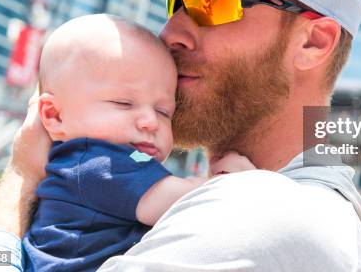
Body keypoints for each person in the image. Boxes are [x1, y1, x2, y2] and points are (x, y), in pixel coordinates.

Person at [0, 0, 361, 271]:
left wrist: (21, 174)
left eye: (210, 2)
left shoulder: (263, 215)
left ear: (313, 42)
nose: (171, 30)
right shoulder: (328, 206)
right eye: (175, 0)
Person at [21, 14, 254, 271]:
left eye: (164, 112)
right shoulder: (97, 162)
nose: (150, 122)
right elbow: (188, 201)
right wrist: (230, 180)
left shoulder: (127, 158)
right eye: (123, 103)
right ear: (54, 115)